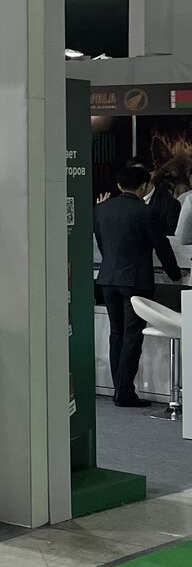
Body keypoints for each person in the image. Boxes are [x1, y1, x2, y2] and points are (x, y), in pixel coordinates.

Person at [95, 163, 185, 407]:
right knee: (132, 336)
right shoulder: (146, 212)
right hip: (135, 281)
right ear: (144, 186)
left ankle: (119, 388)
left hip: (108, 279)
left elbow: (102, 244)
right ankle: (124, 392)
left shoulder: (101, 210)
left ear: (119, 185)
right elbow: (162, 247)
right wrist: (175, 275)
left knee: (116, 334)